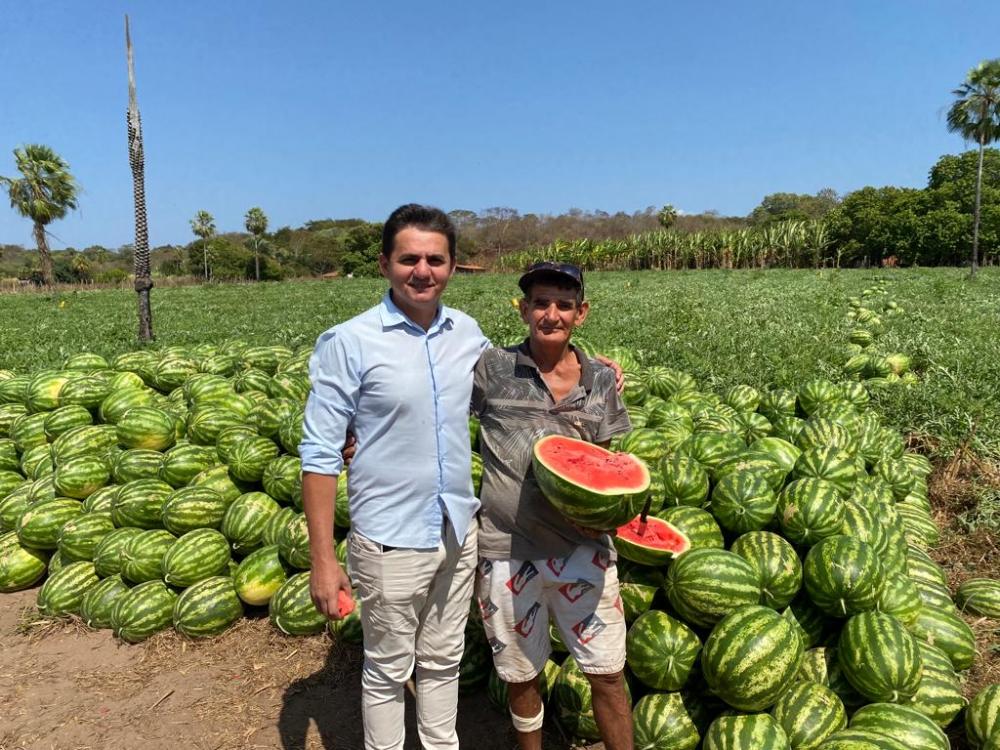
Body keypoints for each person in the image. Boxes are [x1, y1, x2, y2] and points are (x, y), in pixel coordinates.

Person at [299, 204, 487, 750]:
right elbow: (319, 454)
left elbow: (513, 384)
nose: (422, 271)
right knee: (386, 670)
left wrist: (589, 368)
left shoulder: (467, 333)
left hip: (457, 529)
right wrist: (324, 560)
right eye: (409, 259)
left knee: (443, 660)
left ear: (452, 266)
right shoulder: (350, 341)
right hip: (389, 540)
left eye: (435, 259)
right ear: (385, 264)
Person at [472, 262, 634, 750]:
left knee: (607, 673)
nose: (551, 313)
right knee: (521, 675)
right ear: (524, 310)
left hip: (584, 551)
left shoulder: (602, 379)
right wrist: (359, 436)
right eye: (540, 303)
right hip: (505, 550)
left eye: (563, 305)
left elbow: (610, 463)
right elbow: (426, 406)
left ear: (580, 313)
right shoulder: (490, 368)